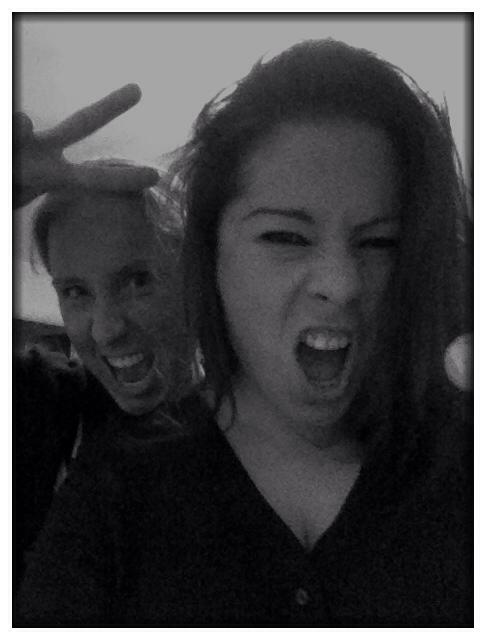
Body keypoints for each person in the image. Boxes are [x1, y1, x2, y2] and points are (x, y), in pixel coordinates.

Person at [15, 38, 472, 627]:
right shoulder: (111, 489)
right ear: (211, 259)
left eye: (381, 242)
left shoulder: (458, 461)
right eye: (286, 236)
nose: (343, 284)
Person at [14, 93, 193, 589]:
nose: (105, 329)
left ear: (196, 278)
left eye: (137, 281)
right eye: (76, 292)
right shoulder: (39, 409)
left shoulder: (270, 433)